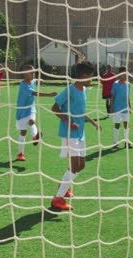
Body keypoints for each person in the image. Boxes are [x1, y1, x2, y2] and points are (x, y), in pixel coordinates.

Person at [51, 61, 101, 210]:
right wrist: (69, 122)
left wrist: (92, 122)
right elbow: (55, 108)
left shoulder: (84, 90)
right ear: (83, 76)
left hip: (80, 133)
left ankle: (64, 186)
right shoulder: (70, 90)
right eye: (90, 76)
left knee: (81, 165)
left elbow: (81, 112)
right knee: (74, 166)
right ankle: (58, 198)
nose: (91, 79)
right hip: (69, 133)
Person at [15, 65, 57, 161]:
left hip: (31, 108)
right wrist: (49, 94)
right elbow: (35, 93)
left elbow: (35, 81)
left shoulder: (32, 81)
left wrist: (39, 80)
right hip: (22, 111)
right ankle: (20, 153)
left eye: (34, 72)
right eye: (31, 72)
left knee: (32, 121)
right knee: (23, 132)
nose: (33, 74)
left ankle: (35, 136)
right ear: (25, 74)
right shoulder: (23, 85)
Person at [110, 66, 132, 149]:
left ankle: (126, 142)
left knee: (126, 125)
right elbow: (112, 96)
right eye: (124, 73)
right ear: (120, 74)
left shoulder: (128, 84)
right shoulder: (115, 84)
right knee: (117, 125)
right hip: (117, 108)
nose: (126, 75)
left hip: (125, 108)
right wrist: (111, 107)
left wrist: (130, 107)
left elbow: (128, 96)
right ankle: (115, 143)